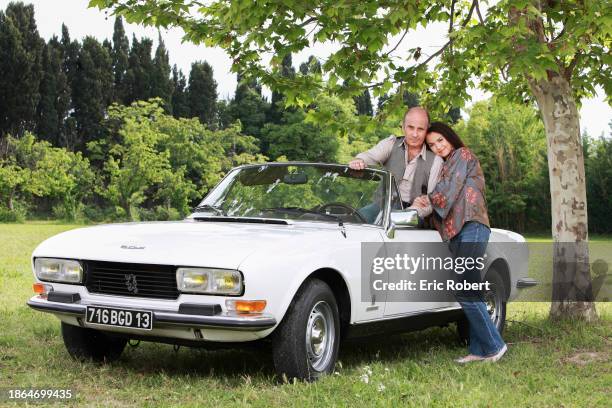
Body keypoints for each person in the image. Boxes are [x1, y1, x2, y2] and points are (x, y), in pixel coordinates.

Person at [412, 122, 507, 363]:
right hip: (458, 233)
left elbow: (447, 192)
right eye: (432, 145)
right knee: (471, 290)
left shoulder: (462, 155)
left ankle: (495, 345)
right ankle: (478, 350)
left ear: (450, 138)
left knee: (464, 289)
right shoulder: (445, 165)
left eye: (440, 141)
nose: (437, 147)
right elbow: (441, 207)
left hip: (472, 227)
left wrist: (423, 201)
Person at [348, 107, 443, 222]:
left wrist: (410, 213)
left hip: (414, 212)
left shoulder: (436, 161)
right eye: (410, 127)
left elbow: (431, 201)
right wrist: (360, 160)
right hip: (381, 206)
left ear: (427, 130)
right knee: (354, 219)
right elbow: (369, 156)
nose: (415, 134)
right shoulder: (391, 144)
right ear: (403, 127)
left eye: (420, 129)